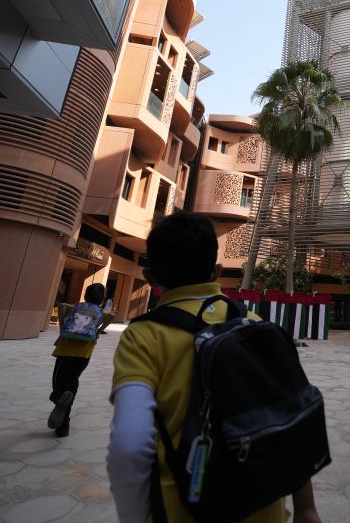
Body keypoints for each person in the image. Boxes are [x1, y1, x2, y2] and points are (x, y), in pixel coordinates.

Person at [107, 213, 321, 523]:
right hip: (266, 511)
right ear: (217, 271)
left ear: (150, 277)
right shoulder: (259, 327)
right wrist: (305, 508)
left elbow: (129, 444)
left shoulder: (143, 337)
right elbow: (292, 419)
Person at [49, 282, 106, 438]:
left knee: (59, 384)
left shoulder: (77, 306)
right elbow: (112, 316)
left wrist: (62, 327)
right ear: (101, 299)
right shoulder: (100, 311)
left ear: (86, 295)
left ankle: (58, 399)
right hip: (84, 354)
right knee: (72, 383)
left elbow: (62, 307)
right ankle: (63, 427)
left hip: (65, 351)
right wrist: (98, 331)